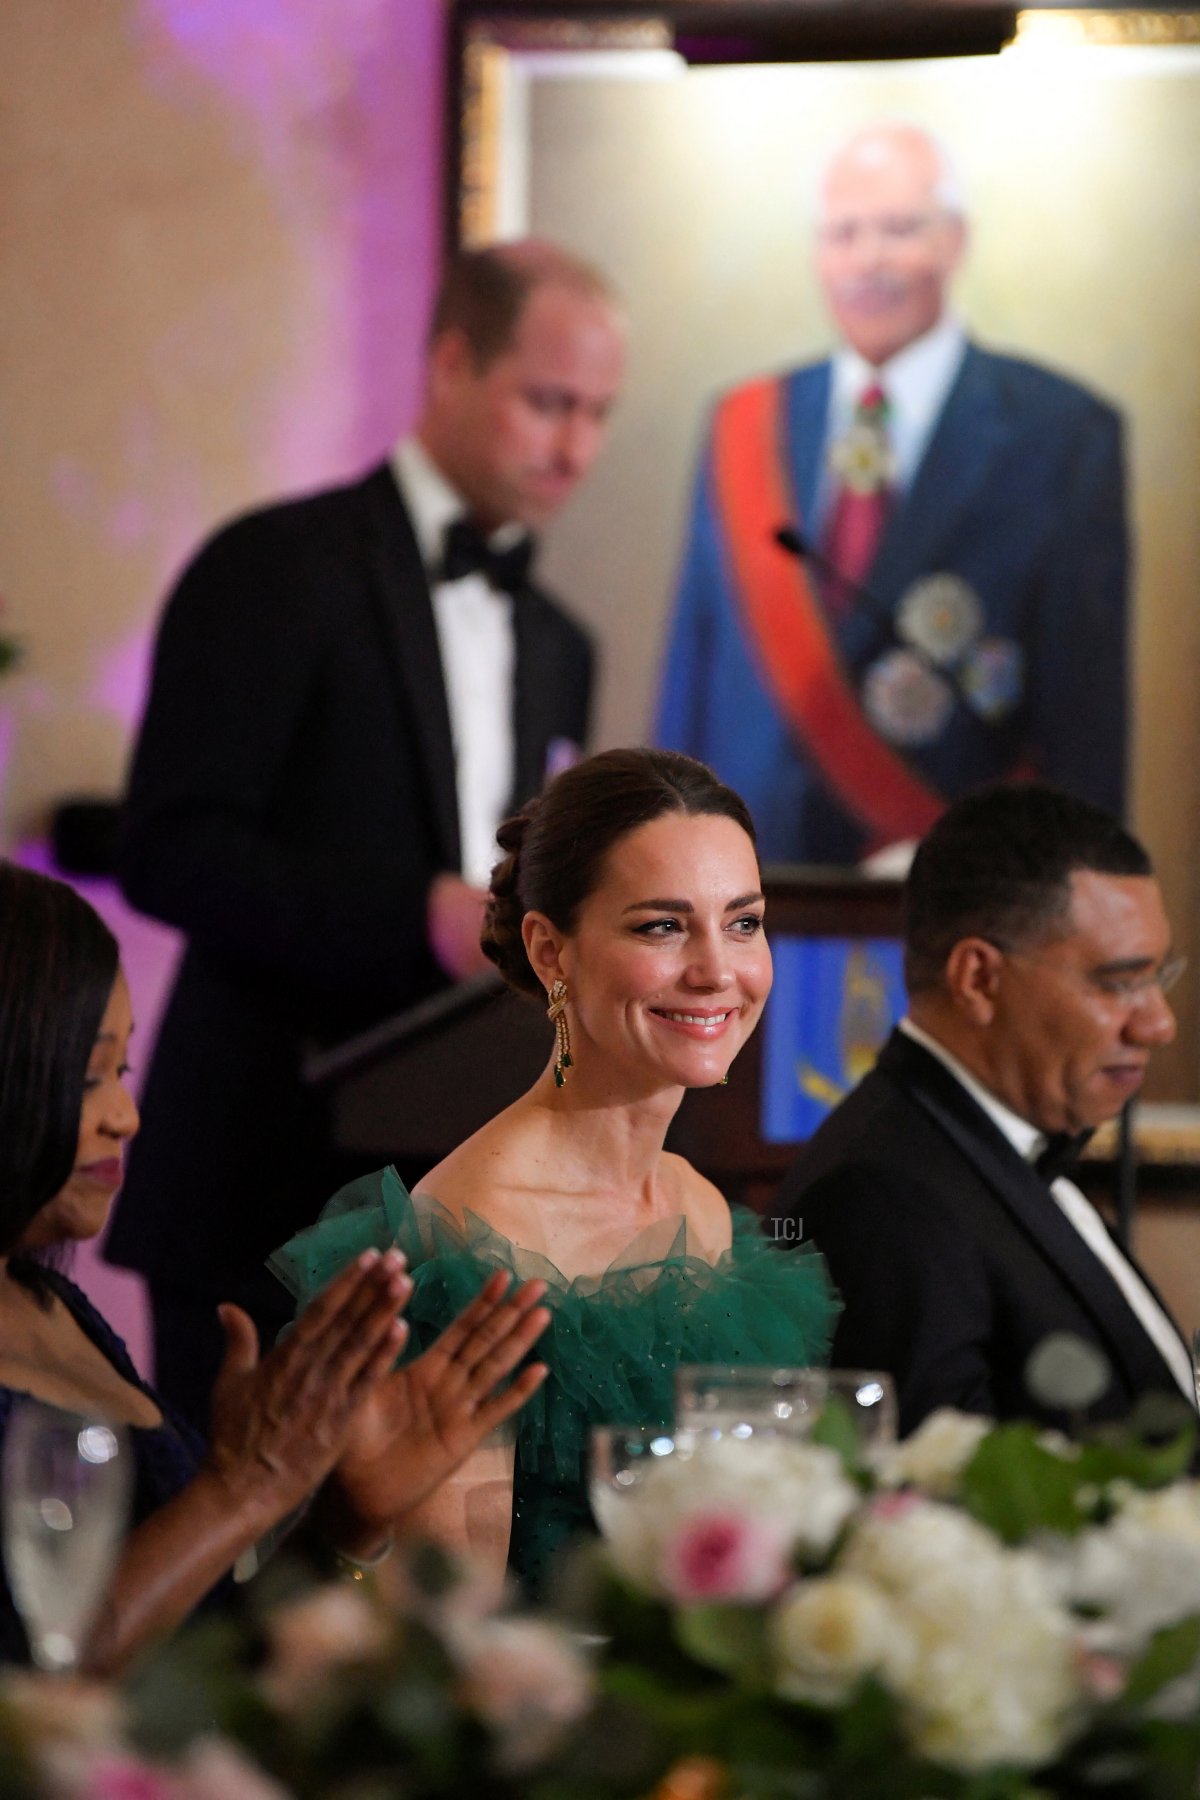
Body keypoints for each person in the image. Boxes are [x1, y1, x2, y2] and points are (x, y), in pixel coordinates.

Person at [107, 239, 627, 1431]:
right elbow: (170, 845)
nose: (575, 448)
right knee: (245, 1590)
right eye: (548, 401)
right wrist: (418, 913)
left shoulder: (560, 642)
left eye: (599, 413)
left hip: (458, 1205)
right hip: (260, 1182)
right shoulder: (277, 567)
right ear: (451, 363)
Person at [271, 749, 836, 1596]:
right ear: (551, 951)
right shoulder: (472, 1239)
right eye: (662, 926)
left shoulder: (707, 1211)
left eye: (744, 923)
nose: (719, 970)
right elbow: (444, 1636)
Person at [0, 861, 552, 1674]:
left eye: (119, 1073)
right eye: (86, 1079)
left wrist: (341, 1519)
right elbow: (35, 1688)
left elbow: (216, 1650)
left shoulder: (55, 1305)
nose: (127, 1115)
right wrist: (242, 1485)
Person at [655, 122, 1128, 864]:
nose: (867, 260)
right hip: (750, 892)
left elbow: (1086, 726)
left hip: (955, 891)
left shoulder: (1063, 434)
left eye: (899, 230)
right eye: (843, 234)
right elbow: (692, 683)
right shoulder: (744, 423)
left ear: (955, 241)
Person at [769, 784, 1193, 1437]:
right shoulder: (881, 1196)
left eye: (1157, 979)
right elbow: (935, 1513)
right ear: (979, 980)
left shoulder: (999, 1146)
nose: (1158, 1024)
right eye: (1118, 982)